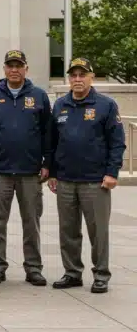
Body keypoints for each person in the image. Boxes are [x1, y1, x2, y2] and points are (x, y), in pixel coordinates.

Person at [0, 49, 51, 286]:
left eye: (19, 65)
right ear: (4, 68)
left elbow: (48, 133)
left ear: (26, 68)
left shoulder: (38, 96)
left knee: (32, 222)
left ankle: (33, 268)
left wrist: (48, 163)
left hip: (30, 172)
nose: (14, 69)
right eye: (10, 65)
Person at [49, 58, 125, 294]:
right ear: (69, 79)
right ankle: (72, 273)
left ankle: (101, 274)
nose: (78, 79)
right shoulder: (60, 105)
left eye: (83, 75)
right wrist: (52, 172)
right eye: (74, 75)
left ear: (92, 77)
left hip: (96, 181)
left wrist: (112, 173)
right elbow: (53, 142)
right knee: (68, 230)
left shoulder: (106, 105)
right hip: (66, 180)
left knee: (98, 232)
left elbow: (117, 142)